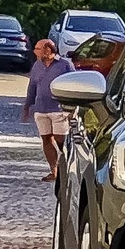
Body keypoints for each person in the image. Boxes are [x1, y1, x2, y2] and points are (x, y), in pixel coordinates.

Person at [22, 37, 74, 181]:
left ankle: (69, 167)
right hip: (41, 108)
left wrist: (72, 108)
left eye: (38, 49)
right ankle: (54, 171)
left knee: (60, 139)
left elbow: (73, 85)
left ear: (48, 50)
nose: (34, 52)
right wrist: (27, 105)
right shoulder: (37, 65)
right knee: (46, 138)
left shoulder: (65, 65)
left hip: (59, 109)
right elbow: (32, 86)